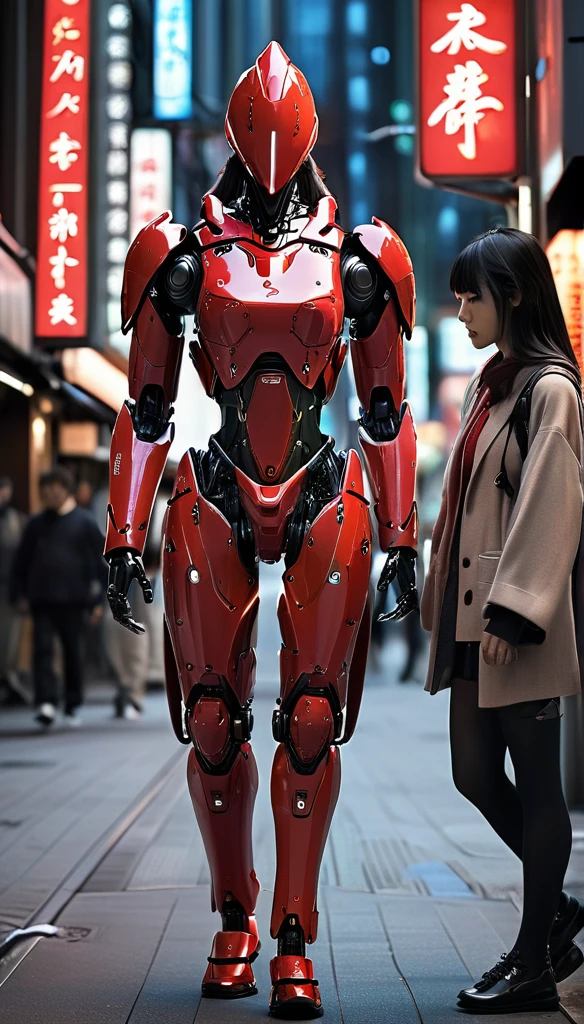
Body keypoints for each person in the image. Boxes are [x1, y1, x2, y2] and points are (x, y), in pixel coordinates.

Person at [421, 227, 584, 1015]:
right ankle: (555, 914)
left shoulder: (550, 389)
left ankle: (534, 960)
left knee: (538, 783)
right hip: (469, 618)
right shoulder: (494, 385)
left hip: (511, 625)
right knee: (474, 774)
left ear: (513, 296)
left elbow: (554, 504)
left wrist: (516, 613)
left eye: (471, 295)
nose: (461, 311)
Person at [11, 466, 107, 726]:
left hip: (75, 599)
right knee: (41, 651)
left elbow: (101, 563)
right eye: (45, 491)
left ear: (66, 490)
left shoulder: (85, 522)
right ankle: (46, 701)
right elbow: (22, 561)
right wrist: (18, 593)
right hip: (41, 598)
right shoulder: (36, 523)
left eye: (55, 489)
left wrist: (100, 601)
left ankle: (72, 703)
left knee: (72, 652)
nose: (50, 495)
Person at [0, 476, 27, 702]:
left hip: (9, 586)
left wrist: (22, 591)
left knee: (10, 638)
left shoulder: (16, 520)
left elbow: (23, 560)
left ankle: (9, 678)